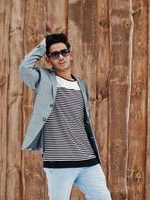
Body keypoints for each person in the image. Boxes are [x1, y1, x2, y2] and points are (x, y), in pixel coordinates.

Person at [19, 33, 112, 200]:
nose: (61, 57)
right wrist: (42, 46)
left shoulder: (80, 84)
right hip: (59, 162)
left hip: (88, 160)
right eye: (55, 54)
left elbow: (83, 122)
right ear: (48, 60)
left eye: (64, 52)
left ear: (71, 54)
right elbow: (24, 69)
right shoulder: (43, 79)